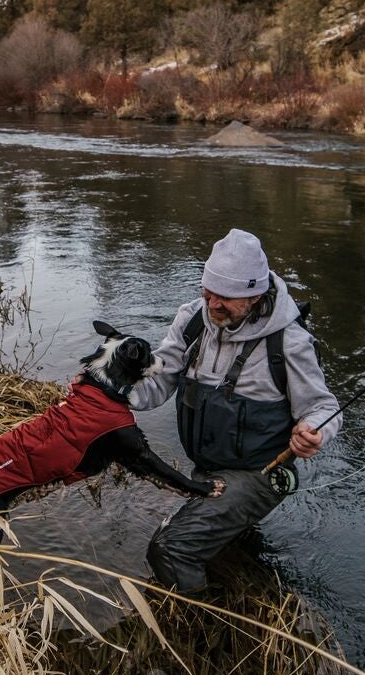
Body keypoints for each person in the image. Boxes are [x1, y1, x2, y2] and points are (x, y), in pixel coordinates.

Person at [129, 228, 340, 592]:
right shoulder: (192, 319)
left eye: (224, 298)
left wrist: (314, 431)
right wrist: (112, 394)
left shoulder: (288, 341)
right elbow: (160, 381)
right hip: (206, 468)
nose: (212, 306)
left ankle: (202, 624)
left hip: (259, 473)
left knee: (170, 548)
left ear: (255, 295)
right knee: (222, 549)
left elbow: (324, 406)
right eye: (207, 293)